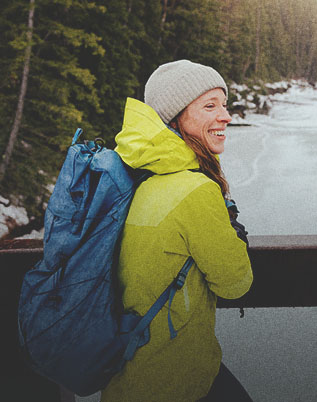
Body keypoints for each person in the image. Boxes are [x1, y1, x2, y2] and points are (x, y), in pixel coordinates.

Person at [101, 60, 254, 402]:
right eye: (209, 106)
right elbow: (235, 284)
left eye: (224, 105)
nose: (226, 116)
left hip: (131, 377)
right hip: (176, 381)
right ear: (175, 119)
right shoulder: (195, 191)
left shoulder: (142, 177)